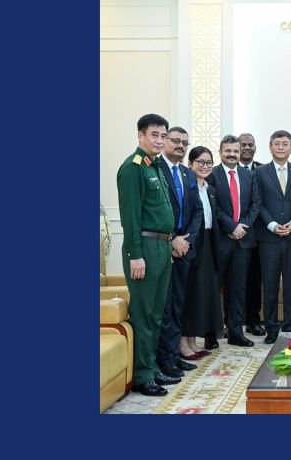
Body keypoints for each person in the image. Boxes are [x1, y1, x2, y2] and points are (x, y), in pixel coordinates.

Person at [116, 113, 180, 396]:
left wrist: (166, 246)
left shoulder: (154, 167)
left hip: (161, 247)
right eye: (154, 135)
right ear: (140, 136)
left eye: (163, 135)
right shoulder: (133, 168)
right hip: (143, 248)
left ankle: (152, 368)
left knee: (156, 313)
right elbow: (130, 218)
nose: (159, 140)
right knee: (143, 314)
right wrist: (135, 255)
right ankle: (142, 376)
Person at [154, 127, 202, 378]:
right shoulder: (154, 169)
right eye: (175, 141)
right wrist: (173, 239)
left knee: (179, 304)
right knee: (165, 306)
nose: (181, 146)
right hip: (164, 247)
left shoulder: (187, 173)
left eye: (185, 142)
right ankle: (164, 359)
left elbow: (197, 211)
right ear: (164, 142)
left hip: (185, 249)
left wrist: (187, 241)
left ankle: (174, 355)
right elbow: (154, 212)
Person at [207, 134, 260, 348]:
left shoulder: (249, 176)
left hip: (243, 241)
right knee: (214, 288)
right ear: (220, 152)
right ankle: (211, 334)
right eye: (228, 151)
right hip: (221, 240)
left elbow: (256, 205)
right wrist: (231, 226)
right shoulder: (212, 174)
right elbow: (214, 206)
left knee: (238, 289)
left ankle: (236, 332)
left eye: (235, 151)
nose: (232, 154)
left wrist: (242, 227)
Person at [254, 130, 291, 343]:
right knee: (270, 285)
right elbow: (258, 203)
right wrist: (272, 225)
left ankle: (290, 326)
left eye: (285, 143)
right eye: (277, 143)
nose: (281, 147)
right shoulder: (259, 172)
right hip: (269, 238)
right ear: (270, 146)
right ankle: (272, 328)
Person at [180, 146, 225, 356]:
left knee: (202, 295)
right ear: (191, 164)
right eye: (200, 162)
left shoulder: (210, 189)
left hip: (208, 244)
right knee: (189, 294)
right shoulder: (186, 187)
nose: (204, 166)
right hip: (191, 243)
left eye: (208, 163)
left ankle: (192, 341)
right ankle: (183, 343)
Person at [237, 133, 265, 336]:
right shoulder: (226, 171)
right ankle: (232, 322)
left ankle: (253, 320)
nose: (246, 148)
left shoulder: (262, 170)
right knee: (233, 281)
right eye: (242, 145)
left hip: (256, 237)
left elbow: (260, 203)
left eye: (250, 145)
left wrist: (245, 225)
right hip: (231, 236)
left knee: (255, 281)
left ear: (255, 148)